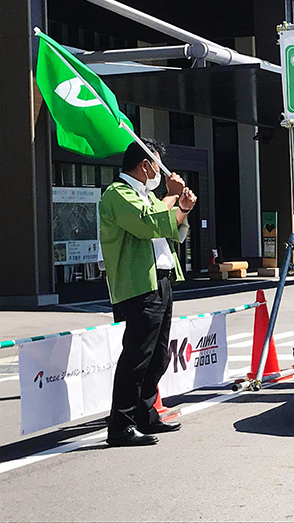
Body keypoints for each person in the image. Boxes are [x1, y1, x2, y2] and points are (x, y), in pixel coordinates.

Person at [100, 140, 197, 447]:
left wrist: (182, 208)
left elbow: (171, 227)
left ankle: (145, 413)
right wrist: (171, 197)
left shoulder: (146, 196)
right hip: (138, 284)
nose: (160, 172)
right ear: (144, 165)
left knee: (158, 354)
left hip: (161, 279)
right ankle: (121, 425)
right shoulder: (118, 194)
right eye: (157, 165)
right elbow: (148, 224)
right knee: (137, 355)